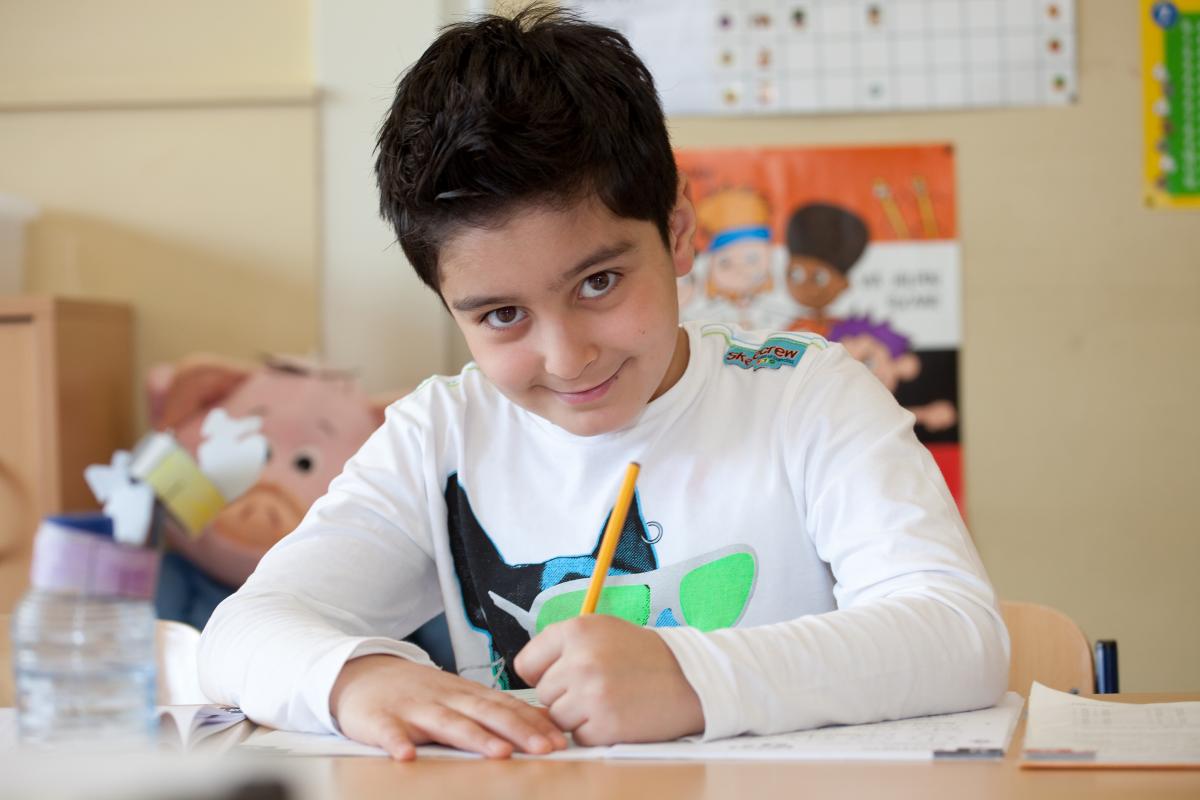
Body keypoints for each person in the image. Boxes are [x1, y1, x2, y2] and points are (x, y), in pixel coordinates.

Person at [198, 6, 1008, 761]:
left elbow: (960, 636)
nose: (567, 358)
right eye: (503, 315)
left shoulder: (805, 395)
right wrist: (356, 678)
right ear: (451, 307)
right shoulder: (439, 436)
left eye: (598, 285)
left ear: (680, 231)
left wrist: (692, 677)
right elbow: (239, 635)